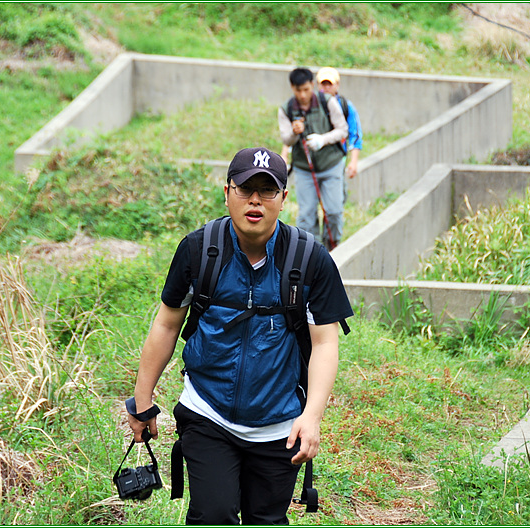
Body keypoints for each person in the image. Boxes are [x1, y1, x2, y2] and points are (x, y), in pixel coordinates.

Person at [126, 146, 353, 525]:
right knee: (212, 514)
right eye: (245, 188)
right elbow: (166, 324)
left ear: (283, 199)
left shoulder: (310, 260)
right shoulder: (199, 251)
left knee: (266, 518)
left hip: (280, 423)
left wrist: (312, 416)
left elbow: (325, 343)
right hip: (207, 412)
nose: (255, 200)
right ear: (227, 192)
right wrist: (142, 398)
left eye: (267, 191)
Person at [278, 68, 348, 250]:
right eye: (298, 90)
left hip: (330, 165)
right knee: (306, 216)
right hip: (304, 169)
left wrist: (322, 140)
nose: (303, 95)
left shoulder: (327, 102)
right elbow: (286, 139)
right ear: (292, 88)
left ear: (312, 86)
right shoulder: (286, 109)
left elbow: (343, 129)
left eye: (306, 89)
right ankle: (312, 253)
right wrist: (295, 132)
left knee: (333, 211)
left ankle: (333, 247)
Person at [315, 67, 363, 180]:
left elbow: (355, 134)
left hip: (338, 157)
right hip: (315, 159)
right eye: (323, 84)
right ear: (317, 85)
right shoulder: (312, 105)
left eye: (329, 84)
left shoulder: (346, 106)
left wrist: (353, 161)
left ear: (337, 85)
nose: (326, 88)